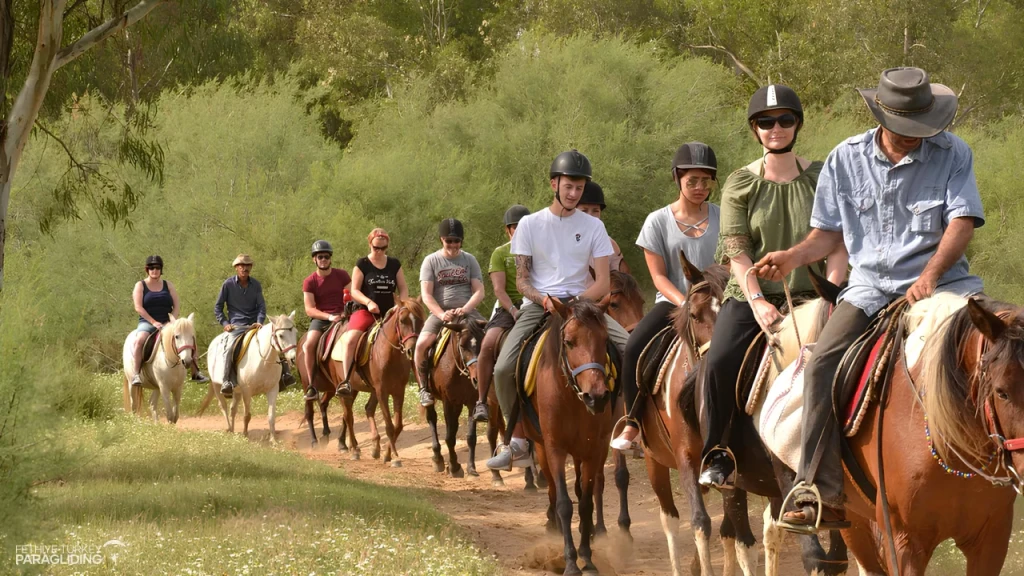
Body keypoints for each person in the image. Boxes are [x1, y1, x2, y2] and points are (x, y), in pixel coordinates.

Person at [755, 67, 984, 531]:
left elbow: (961, 222)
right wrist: (792, 256)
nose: (914, 137)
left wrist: (929, 275)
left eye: (922, 128)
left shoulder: (953, 152)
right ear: (883, 117)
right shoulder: (845, 158)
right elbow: (827, 235)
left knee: (998, 346)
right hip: (869, 288)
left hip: (944, 286)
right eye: (906, 129)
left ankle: (1000, 460)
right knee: (820, 364)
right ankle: (821, 491)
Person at [698, 85, 849, 489]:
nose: (776, 127)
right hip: (752, 295)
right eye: (766, 121)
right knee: (720, 360)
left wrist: (830, 294)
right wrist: (760, 303)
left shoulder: (823, 176)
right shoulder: (740, 183)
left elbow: (838, 243)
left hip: (817, 293)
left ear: (797, 123)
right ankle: (719, 452)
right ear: (755, 130)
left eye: (784, 119)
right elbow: (737, 252)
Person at [486, 150, 630, 471]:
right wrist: (545, 300)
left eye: (579, 188)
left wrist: (576, 303)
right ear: (554, 183)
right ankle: (518, 440)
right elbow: (522, 281)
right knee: (502, 368)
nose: (574, 194)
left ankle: (630, 426)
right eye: (568, 187)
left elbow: (604, 282)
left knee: (631, 348)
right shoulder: (529, 224)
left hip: (582, 305)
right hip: (540, 306)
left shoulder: (593, 227)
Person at [609, 142, 721, 451]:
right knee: (633, 349)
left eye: (706, 180)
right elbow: (658, 277)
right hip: (674, 303)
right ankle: (632, 422)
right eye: (692, 181)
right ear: (677, 179)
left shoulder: (724, 217)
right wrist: (686, 303)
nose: (700, 187)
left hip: (717, 303)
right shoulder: (657, 221)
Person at [414, 218, 487, 407]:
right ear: (441, 240)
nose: (453, 245)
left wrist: (466, 308)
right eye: (449, 241)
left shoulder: (469, 260)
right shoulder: (431, 260)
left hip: (467, 311)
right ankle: (424, 388)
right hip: (440, 313)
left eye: (456, 241)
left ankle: (492, 387)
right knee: (421, 344)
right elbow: (426, 295)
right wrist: (441, 314)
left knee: (491, 338)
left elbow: (479, 291)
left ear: (461, 241)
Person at [471, 204, 532, 423]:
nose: (521, 231)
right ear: (508, 230)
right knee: (488, 343)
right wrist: (514, 310)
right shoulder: (500, 253)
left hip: (536, 304)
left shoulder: (540, 250)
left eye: (525, 226)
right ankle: (481, 402)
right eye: (516, 227)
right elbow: (498, 289)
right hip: (509, 306)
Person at [335, 228, 410, 396]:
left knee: (411, 335)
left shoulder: (394, 264)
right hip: (366, 311)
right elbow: (354, 290)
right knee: (350, 340)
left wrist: (401, 304)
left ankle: (418, 380)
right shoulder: (362, 264)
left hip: (390, 312)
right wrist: (368, 302)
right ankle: (346, 380)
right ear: (370, 244)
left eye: (383, 248)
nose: (379, 251)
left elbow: (403, 288)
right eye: (376, 247)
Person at [214, 254, 295, 398]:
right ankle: (227, 381)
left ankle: (285, 375)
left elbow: (261, 307)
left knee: (275, 341)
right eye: (241, 266)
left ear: (250, 268)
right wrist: (225, 324)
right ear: (236, 268)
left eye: (247, 266)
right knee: (230, 347)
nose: (244, 268)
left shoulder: (256, 285)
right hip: (237, 326)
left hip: (255, 324)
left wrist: (259, 320)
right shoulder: (227, 285)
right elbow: (218, 308)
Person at [130, 255, 208, 386]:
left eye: (157, 268)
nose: (154, 270)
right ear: (147, 269)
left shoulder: (168, 285)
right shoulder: (141, 285)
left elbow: (176, 305)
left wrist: (172, 321)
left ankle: (196, 372)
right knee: (139, 341)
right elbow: (138, 307)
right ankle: (136, 374)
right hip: (147, 322)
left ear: (161, 270)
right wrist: (153, 322)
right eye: (152, 268)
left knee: (189, 337)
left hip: (168, 322)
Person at [301, 240, 352, 400]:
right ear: (314, 259)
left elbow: (352, 295)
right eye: (320, 256)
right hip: (322, 318)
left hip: (344, 316)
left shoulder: (342, 275)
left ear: (330, 258)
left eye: (326, 256)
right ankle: (311, 385)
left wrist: (346, 312)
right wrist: (330, 316)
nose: (323, 259)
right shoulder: (309, 282)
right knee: (309, 345)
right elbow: (309, 309)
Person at [577, 181, 630, 274]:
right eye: (584, 211)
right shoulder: (558, 239)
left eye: (596, 211)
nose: (590, 216)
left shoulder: (610, 244)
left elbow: (623, 281)